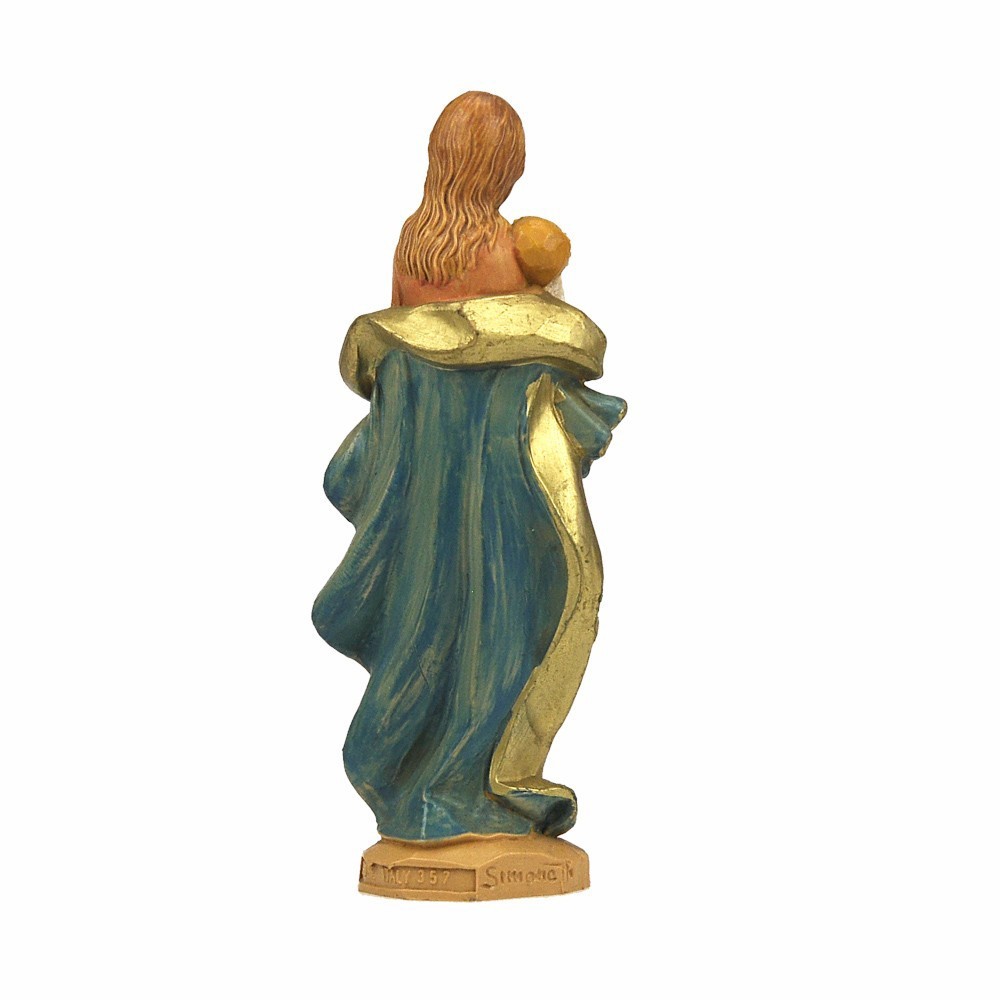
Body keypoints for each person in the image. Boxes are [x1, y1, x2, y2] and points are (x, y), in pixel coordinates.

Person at [313, 92, 624, 843]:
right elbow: (555, 345)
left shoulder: (412, 247)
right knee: (502, 622)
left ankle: (416, 777)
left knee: (426, 622)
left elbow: (397, 350)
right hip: (498, 480)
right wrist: (543, 290)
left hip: (421, 484)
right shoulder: (514, 248)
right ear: (502, 166)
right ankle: (473, 782)